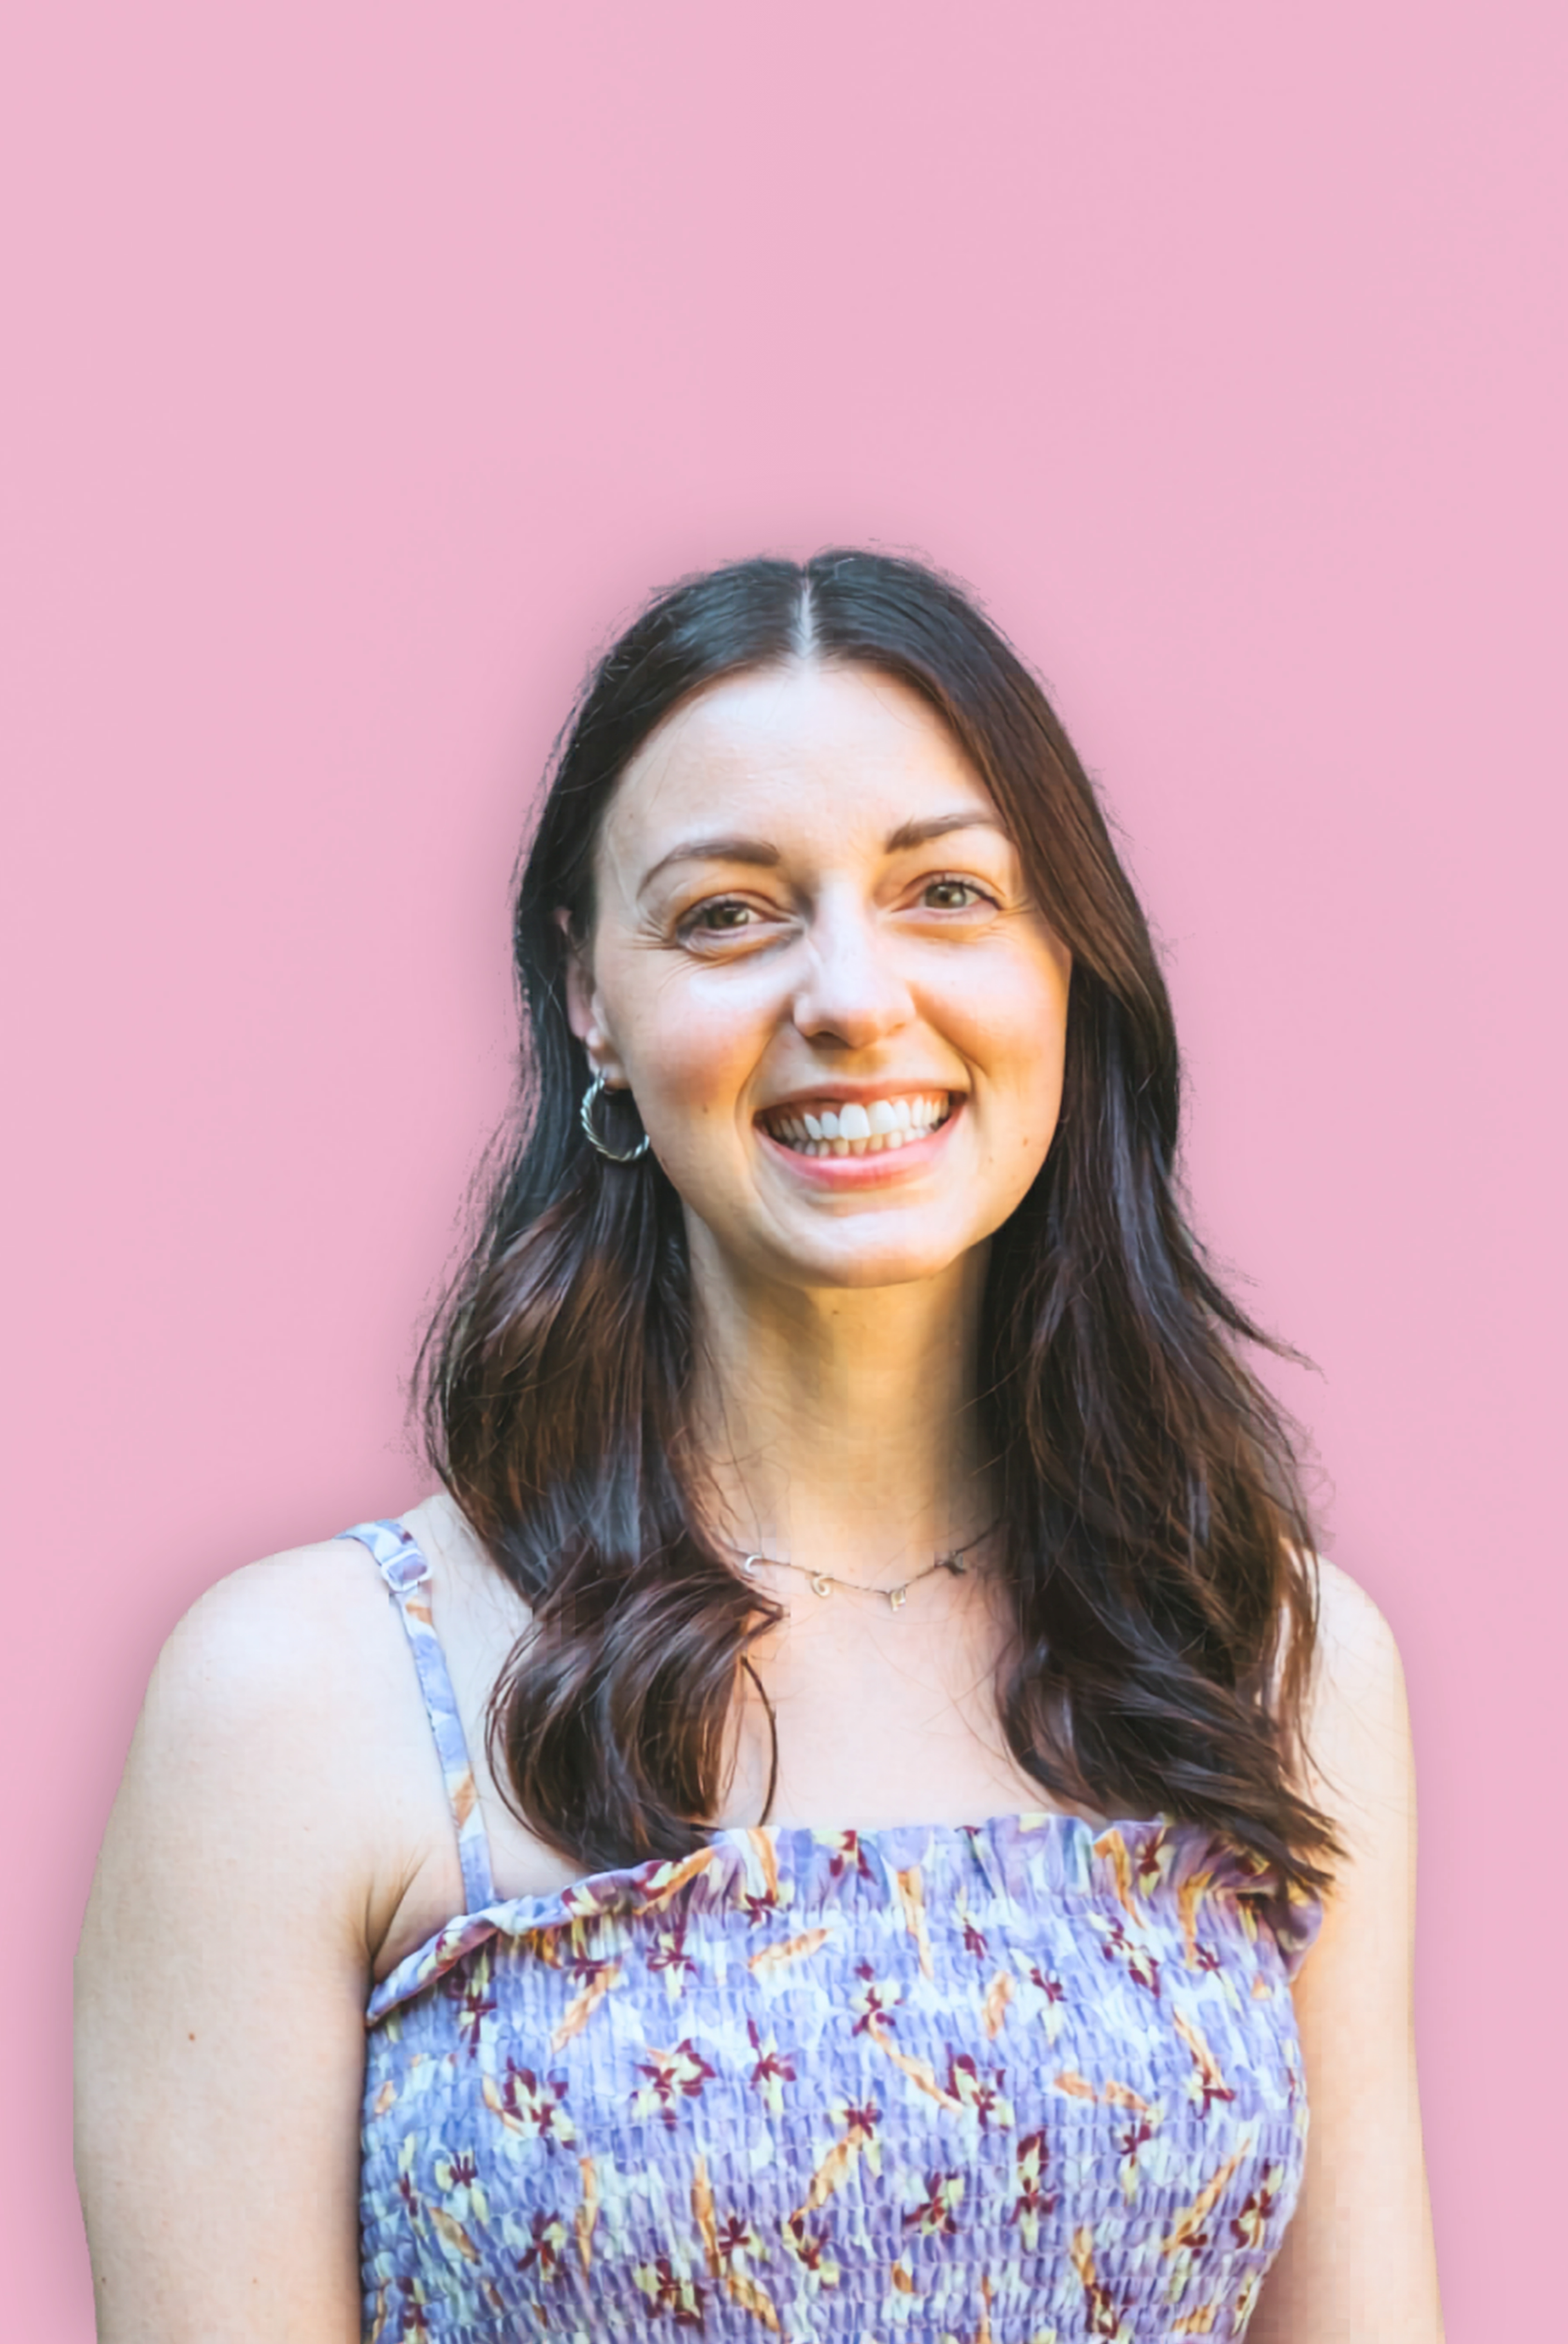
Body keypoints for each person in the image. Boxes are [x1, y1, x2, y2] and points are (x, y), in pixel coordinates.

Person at [74, 550, 1443, 2342]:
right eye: (728, 913)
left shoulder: (1275, 1660)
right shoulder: (300, 1701)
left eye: (948, 890)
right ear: (593, 1001)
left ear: (1067, 962)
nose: (854, 995)